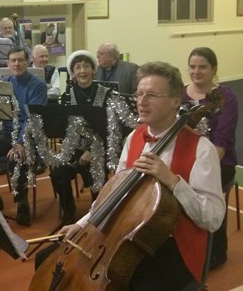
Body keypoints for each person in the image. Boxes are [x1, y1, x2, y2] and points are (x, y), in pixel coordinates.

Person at [56, 61, 225, 290]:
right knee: (55, 264)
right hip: (128, 236)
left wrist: (173, 182)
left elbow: (213, 218)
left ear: (176, 101)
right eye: (139, 94)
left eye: (152, 95)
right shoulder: (134, 138)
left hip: (175, 245)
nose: (141, 102)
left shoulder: (201, 149)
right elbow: (114, 192)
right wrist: (84, 223)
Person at [0, 47, 47, 225]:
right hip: (7, 135)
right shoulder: (2, 84)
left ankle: (22, 203)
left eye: (20, 60)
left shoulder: (38, 86)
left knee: (17, 159)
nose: (16, 64)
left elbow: (32, 119)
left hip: (29, 137)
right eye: (13, 60)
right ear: (7, 63)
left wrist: (20, 143)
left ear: (27, 62)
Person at [183, 47, 238, 269]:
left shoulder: (227, 98)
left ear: (213, 69)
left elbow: (221, 142)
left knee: (207, 188)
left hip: (218, 162)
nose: (196, 71)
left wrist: (194, 168)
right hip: (184, 159)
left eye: (202, 67)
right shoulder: (179, 94)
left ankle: (216, 250)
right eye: (192, 67)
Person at [51, 50, 116, 224]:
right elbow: (65, 129)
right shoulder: (67, 96)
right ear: (73, 73)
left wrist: (91, 151)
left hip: (99, 148)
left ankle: (98, 213)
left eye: (86, 66)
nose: (82, 71)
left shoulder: (106, 94)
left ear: (93, 70)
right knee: (58, 174)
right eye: (77, 67)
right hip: (74, 148)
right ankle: (69, 212)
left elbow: (110, 128)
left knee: (97, 174)